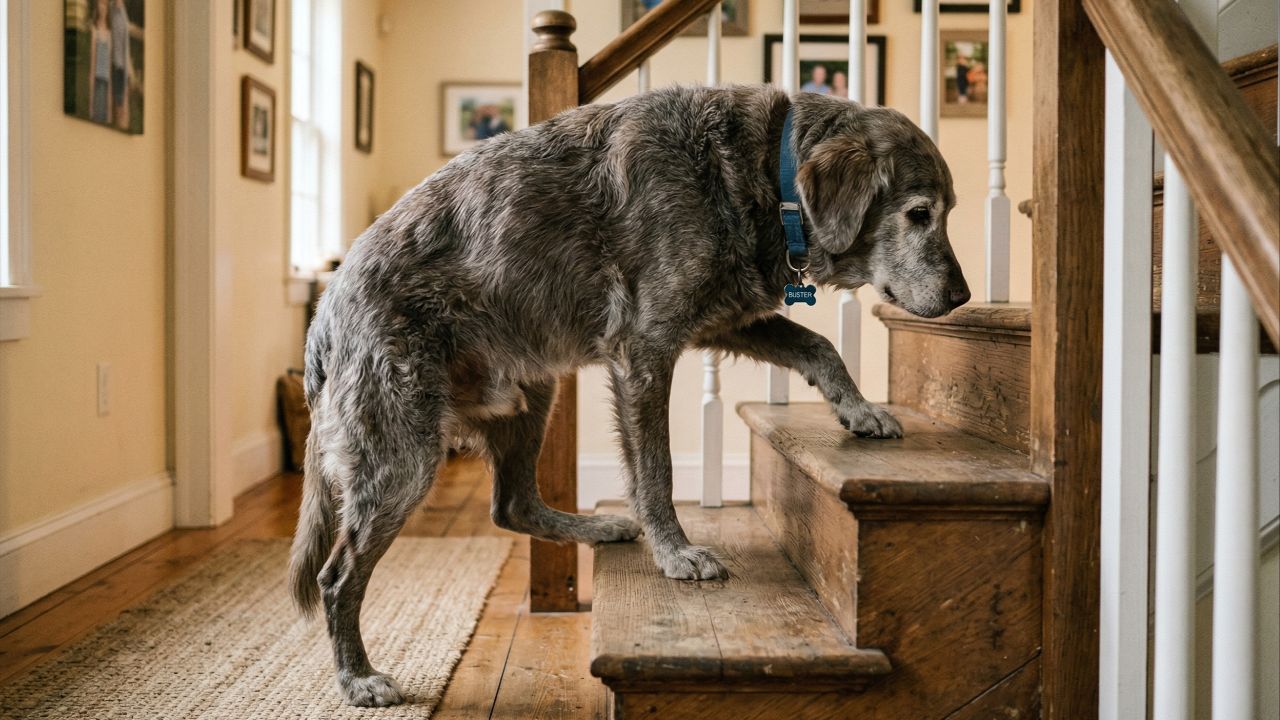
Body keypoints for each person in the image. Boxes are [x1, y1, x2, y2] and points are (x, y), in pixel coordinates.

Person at [89, 0, 112, 125]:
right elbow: (93, 60)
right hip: (97, 78)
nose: (103, 8)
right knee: (97, 116)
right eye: (101, 4)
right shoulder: (95, 31)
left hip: (105, 79)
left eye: (105, 5)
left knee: (104, 116)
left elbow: (108, 63)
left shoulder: (109, 34)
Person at [109, 0, 131, 129]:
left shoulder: (123, 12)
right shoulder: (111, 10)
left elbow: (125, 42)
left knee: (123, 104)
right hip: (115, 63)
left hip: (123, 66)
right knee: (117, 104)